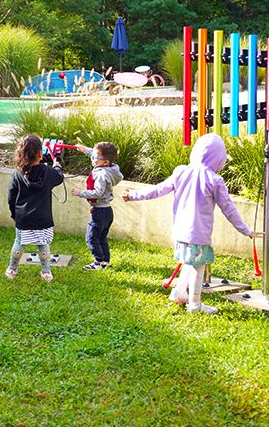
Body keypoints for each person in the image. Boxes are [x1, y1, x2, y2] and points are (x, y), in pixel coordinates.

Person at [122, 133, 261, 314]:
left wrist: (133, 195)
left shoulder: (181, 171)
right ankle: (195, 305)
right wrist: (246, 230)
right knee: (198, 266)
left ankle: (179, 293)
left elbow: (158, 190)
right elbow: (229, 209)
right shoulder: (215, 180)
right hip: (198, 234)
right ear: (220, 158)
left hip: (180, 230)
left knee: (190, 262)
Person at [6, 134, 64, 282]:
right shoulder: (49, 173)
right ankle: (46, 272)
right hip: (43, 218)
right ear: (40, 153)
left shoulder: (17, 173)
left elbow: (11, 196)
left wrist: (14, 214)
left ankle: (12, 270)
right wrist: (57, 165)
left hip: (23, 218)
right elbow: (59, 176)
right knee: (43, 244)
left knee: (19, 242)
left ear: (20, 153)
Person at [71, 142, 123, 270]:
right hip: (107, 211)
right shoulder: (110, 168)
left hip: (99, 212)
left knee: (91, 238)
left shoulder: (101, 174)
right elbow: (97, 156)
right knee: (101, 238)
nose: (92, 158)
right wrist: (85, 150)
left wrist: (80, 193)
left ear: (105, 162)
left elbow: (98, 193)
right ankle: (105, 261)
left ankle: (98, 262)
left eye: (95, 157)